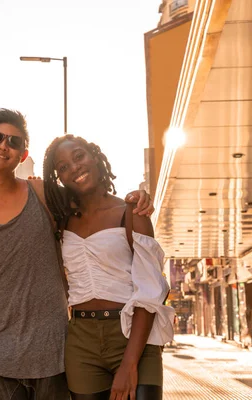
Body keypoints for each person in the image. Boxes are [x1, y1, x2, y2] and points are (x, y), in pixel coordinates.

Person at [0, 109, 154, 400]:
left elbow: (91, 196)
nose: (3, 145)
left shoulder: (45, 193)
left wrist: (137, 198)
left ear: (23, 155)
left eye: (14, 141)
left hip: (54, 358)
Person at [43, 134, 174, 400]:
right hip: (81, 341)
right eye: (63, 167)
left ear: (95, 156)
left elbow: (150, 292)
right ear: (59, 178)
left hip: (134, 335)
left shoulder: (131, 214)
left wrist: (129, 363)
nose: (74, 167)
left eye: (78, 156)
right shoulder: (61, 221)